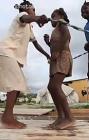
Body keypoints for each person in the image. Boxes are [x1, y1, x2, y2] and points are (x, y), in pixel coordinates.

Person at [0, 0, 50, 129]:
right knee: (16, 83)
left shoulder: (29, 27)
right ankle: (7, 118)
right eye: (33, 10)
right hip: (6, 52)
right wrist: (38, 18)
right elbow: (26, 17)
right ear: (28, 9)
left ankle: (8, 115)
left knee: (19, 84)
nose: (34, 12)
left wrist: (47, 55)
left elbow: (36, 44)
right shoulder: (20, 16)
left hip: (11, 56)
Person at [44, 8, 74, 130]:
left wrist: (58, 50)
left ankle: (69, 118)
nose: (51, 18)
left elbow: (67, 36)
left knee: (56, 86)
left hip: (62, 56)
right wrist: (48, 43)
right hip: (55, 59)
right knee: (51, 87)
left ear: (61, 16)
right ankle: (61, 116)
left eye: (54, 15)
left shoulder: (62, 24)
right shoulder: (55, 30)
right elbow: (55, 44)